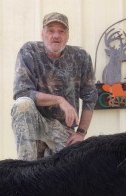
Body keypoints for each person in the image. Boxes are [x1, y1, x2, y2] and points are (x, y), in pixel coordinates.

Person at [11, 12, 98, 160]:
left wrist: (81, 133)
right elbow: (22, 92)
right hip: (35, 123)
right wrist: (59, 100)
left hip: (62, 130)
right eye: (51, 30)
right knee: (22, 104)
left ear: (67, 35)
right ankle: (25, 170)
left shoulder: (81, 57)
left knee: (68, 170)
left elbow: (90, 97)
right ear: (42, 33)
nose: (56, 35)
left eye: (61, 31)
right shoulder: (29, 51)